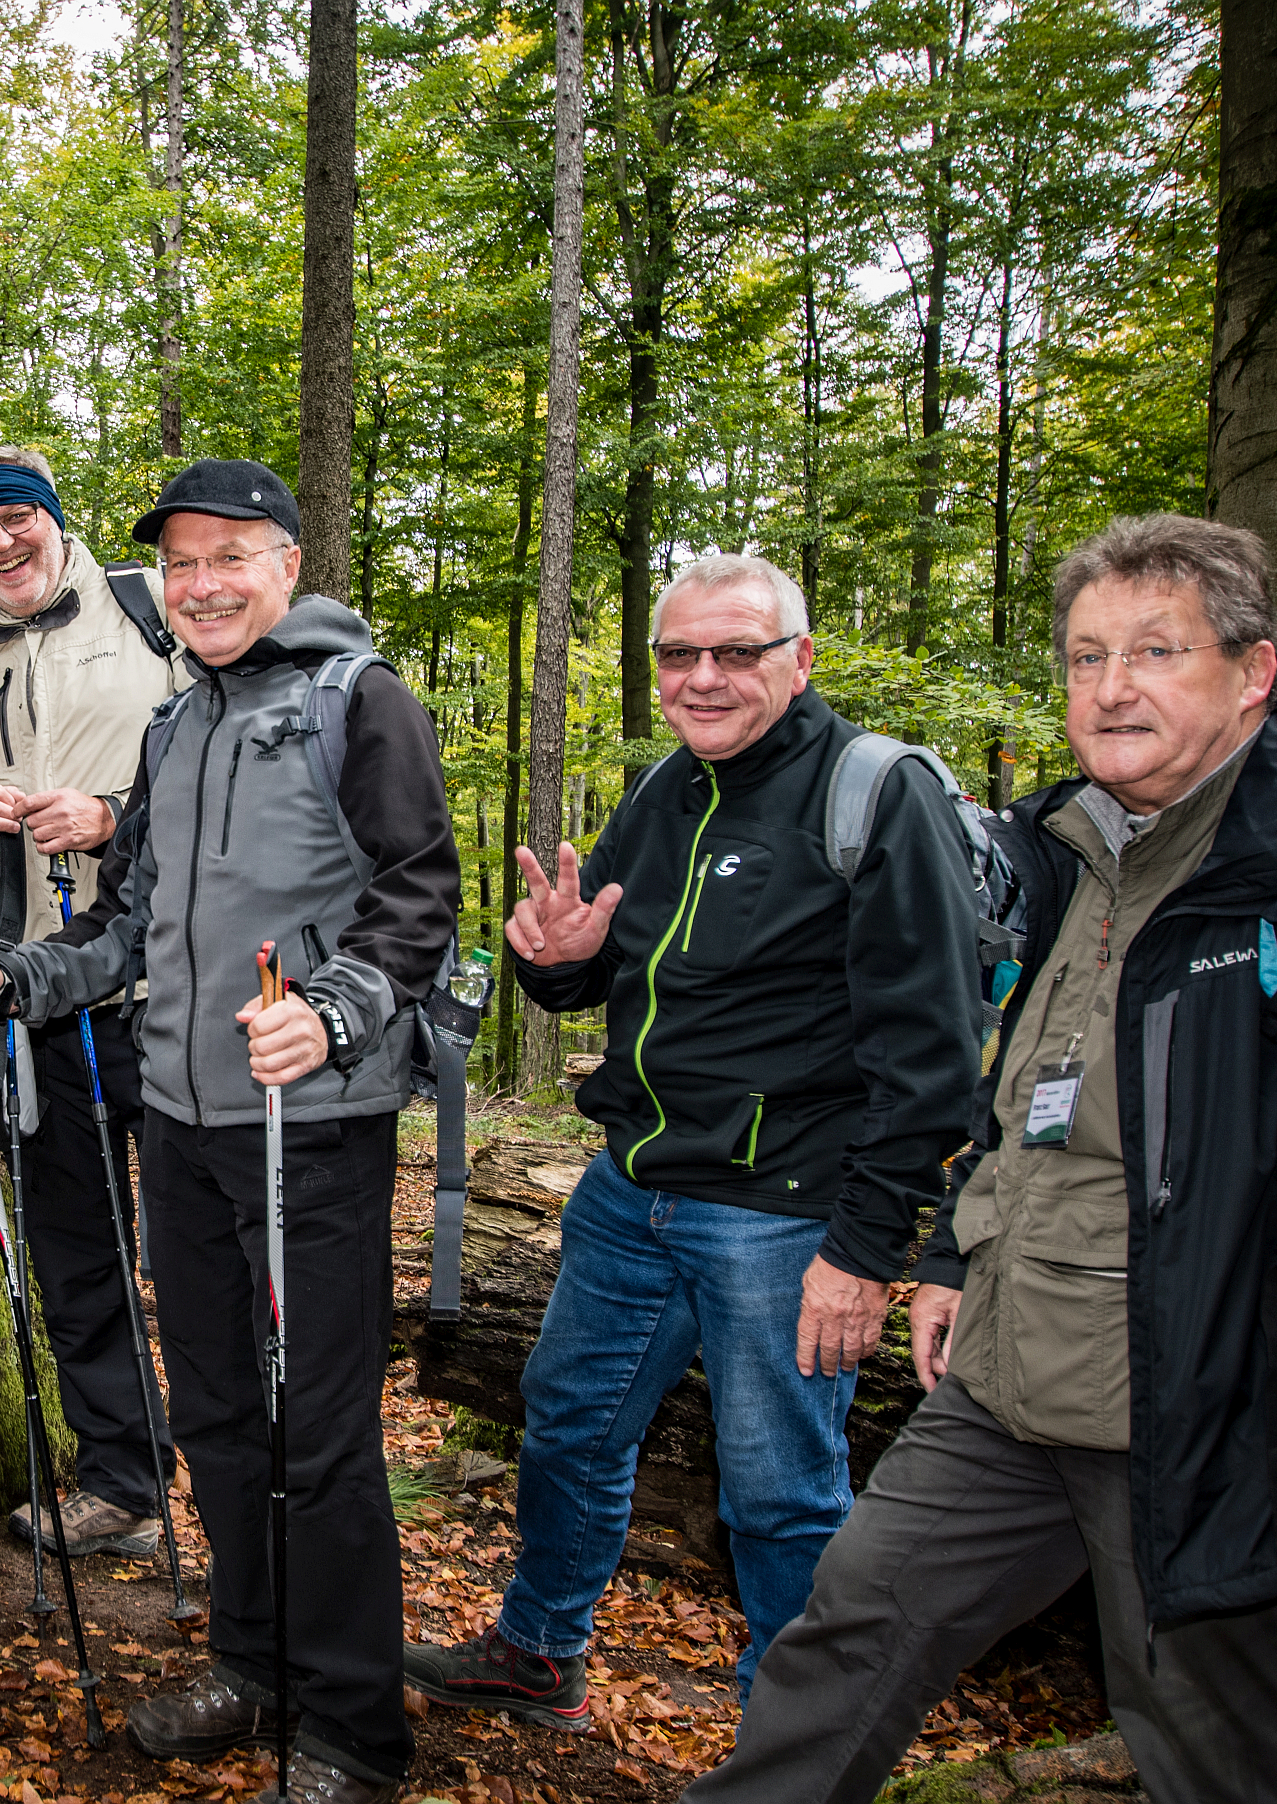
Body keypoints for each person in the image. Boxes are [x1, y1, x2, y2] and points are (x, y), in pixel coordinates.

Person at [688, 516, 1277, 1804]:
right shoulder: (1084, 848)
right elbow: (1024, 1090)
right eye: (1087, 657)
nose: (1113, 686)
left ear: (1252, 672)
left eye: (1155, 651)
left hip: (1214, 1414)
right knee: (846, 1639)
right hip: (1011, 1381)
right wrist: (952, 1249)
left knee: (1233, 1754)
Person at [0, 458, 459, 1804]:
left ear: (285, 563)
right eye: (180, 563)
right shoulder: (177, 727)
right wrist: (17, 979)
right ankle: (252, 1659)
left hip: (315, 1128)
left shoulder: (363, 704)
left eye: (229, 556)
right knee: (220, 1410)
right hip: (178, 1118)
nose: (202, 583)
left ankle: (348, 1726)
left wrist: (335, 1014)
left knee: (321, 1431)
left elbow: (415, 901)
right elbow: (121, 928)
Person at [404, 554, 982, 1721]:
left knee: (779, 1493)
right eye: (680, 654)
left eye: (737, 651)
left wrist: (868, 1251)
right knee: (567, 1423)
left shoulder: (875, 791)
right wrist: (546, 957)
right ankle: (538, 1650)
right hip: (634, 1190)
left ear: (801, 659)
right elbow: (589, 967)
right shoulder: (666, 791)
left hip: (784, 1213)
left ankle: (794, 1738)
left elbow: (933, 1054)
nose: (704, 677)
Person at [0, 443, 185, 1558]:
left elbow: (233, 761)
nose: (1, 542)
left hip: (172, 981)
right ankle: (122, 1480)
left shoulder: (154, 609)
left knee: (207, 1244)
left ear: (55, 518)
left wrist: (117, 815)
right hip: (35, 991)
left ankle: (269, 1484)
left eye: (17, 517)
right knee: (75, 1244)